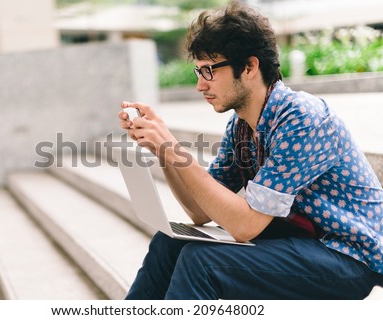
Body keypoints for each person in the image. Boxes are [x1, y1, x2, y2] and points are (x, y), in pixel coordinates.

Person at [118, 0, 383, 299]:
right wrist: (163, 151)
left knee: (202, 262)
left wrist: (171, 146)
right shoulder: (242, 125)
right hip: (298, 244)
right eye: (198, 71)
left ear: (249, 66)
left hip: (347, 256)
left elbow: (245, 226)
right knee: (169, 243)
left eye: (209, 70)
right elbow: (199, 212)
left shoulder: (303, 120)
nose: (200, 86)